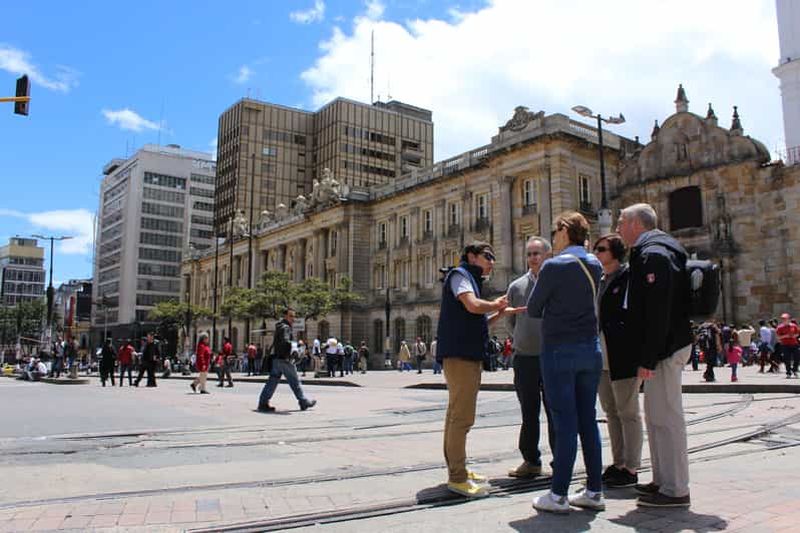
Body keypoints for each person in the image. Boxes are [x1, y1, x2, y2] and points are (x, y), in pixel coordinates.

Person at [527, 212, 605, 513]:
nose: (553, 237)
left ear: (565, 231)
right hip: (590, 349)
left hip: (560, 350)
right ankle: (594, 491)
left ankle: (558, 494)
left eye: (555, 231)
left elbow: (534, 308)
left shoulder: (554, 266)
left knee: (564, 421)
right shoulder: (594, 264)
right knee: (589, 419)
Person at [617, 203, 692, 508]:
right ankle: (663, 480)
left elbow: (658, 310)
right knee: (657, 416)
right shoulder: (655, 248)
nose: (618, 228)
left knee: (668, 417)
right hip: (663, 346)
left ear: (636, 224)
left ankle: (676, 489)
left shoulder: (654, 253)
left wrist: (647, 357)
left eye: (622, 221)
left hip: (665, 348)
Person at [436, 241, 509, 498]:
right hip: (461, 356)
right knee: (462, 417)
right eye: (488, 256)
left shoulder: (470, 278)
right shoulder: (460, 275)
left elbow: (475, 319)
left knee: (455, 414)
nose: (492, 261)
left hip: (464, 354)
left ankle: (459, 469)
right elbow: (472, 305)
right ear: (471, 256)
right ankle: (457, 477)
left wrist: (498, 313)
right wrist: (494, 304)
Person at [593, 233, 642, 489]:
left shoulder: (628, 277)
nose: (596, 253)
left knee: (628, 412)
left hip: (622, 354)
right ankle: (618, 462)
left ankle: (632, 467)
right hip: (601, 355)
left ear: (615, 252)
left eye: (601, 249)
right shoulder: (600, 279)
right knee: (611, 412)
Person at [506, 236, 556, 480]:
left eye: (537, 253)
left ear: (548, 255)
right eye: (529, 253)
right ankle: (531, 460)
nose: (532, 258)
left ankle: (560, 459)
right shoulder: (516, 286)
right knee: (529, 411)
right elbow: (511, 321)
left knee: (554, 409)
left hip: (551, 356)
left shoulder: (556, 283)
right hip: (524, 357)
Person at [257, 308, 316, 412]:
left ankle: (263, 403)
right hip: (285, 359)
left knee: (272, 381)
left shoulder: (279, 326)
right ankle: (303, 401)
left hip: (277, 359)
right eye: (291, 316)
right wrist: (298, 344)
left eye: (294, 316)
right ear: (285, 316)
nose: (293, 319)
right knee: (295, 381)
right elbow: (285, 341)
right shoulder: (285, 328)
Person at [776, 313, 800, 378]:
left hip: (794, 344)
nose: (784, 320)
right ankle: (788, 372)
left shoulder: (794, 326)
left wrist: (793, 336)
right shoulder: (780, 327)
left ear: (788, 319)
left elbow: (797, 334)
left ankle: (794, 370)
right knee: (787, 359)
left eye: (785, 319)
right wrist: (786, 336)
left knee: (797, 358)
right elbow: (778, 337)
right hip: (785, 345)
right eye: (783, 319)